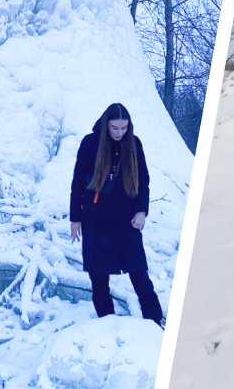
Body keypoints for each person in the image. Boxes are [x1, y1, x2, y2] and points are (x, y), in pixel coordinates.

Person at [70, 102, 165, 326]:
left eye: (124, 128)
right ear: (106, 124)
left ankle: (154, 322)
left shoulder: (134, 144)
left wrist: (142, 211)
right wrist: (75, 218)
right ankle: (107, 323)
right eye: (115, 128)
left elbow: (143, 181)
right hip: (95, 220)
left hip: (126, 221)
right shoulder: (90, 144)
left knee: (140, 274)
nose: (119, 132)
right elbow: (77, 183)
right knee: (98, 277)